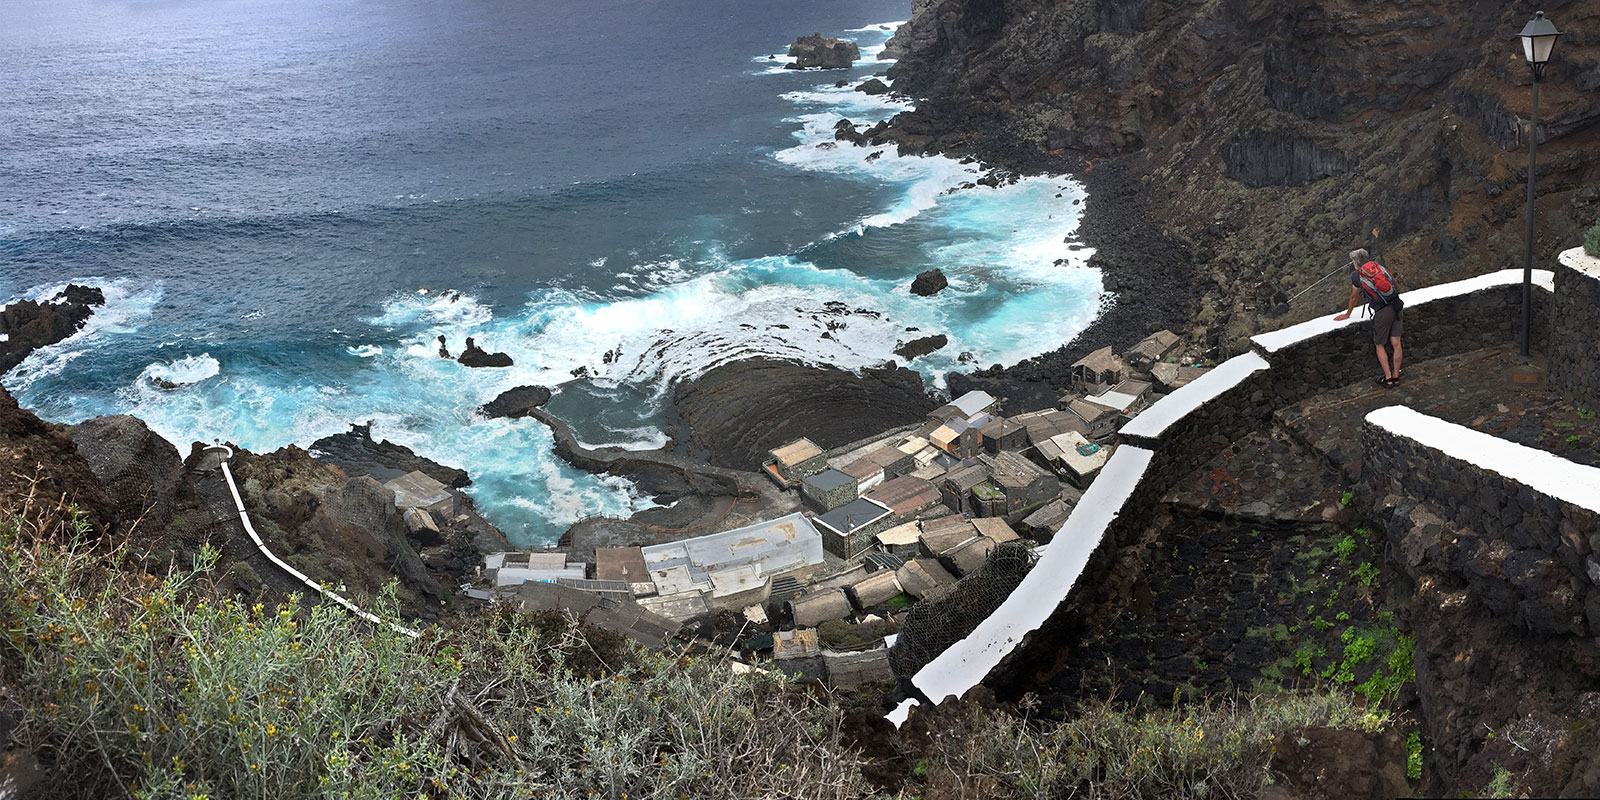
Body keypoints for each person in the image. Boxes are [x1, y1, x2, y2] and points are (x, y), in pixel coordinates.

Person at [1333, 248, 1404, 387]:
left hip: (1382, 311)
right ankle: (1396, 377)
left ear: (1356, 263)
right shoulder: (1379, 267)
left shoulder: (1356, 276)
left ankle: (1388, 378)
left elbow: (1354, 296)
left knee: (1379, 345)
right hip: (1397, 305)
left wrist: (1347, 314)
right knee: (1396, 343)